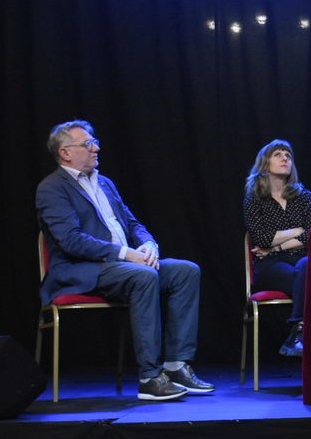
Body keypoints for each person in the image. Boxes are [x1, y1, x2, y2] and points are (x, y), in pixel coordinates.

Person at [36, 119, 214, 401]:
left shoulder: (105, 183)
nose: (96, 148)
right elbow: (71, 240)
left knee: (185, 271)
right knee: (144, 275)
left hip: (123, 267)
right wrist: (126, 254)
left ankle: (176, 365)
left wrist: (148, 244)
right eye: (88, 144)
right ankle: (150, 377)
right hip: (82, 270)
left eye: (95, 142)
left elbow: (132, 224)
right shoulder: (52, 188)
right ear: (65, 152)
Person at [243, 139, 311, 356]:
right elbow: (261, 238)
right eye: (278, 155)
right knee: (306, 277)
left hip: (300, 258)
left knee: (305, 266)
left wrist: (276, 246)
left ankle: (297, 331)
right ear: (265, 163)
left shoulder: (304, 197)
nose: (285, 159)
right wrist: (297, 230)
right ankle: (301, 335)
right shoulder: (254, 199)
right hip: (270, 264)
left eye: (288, 155)